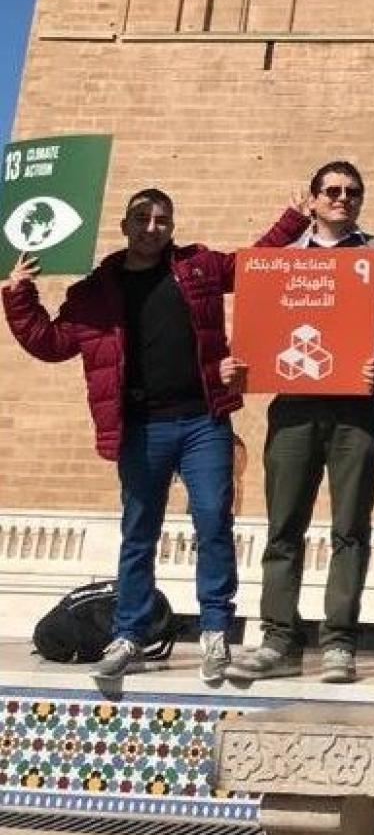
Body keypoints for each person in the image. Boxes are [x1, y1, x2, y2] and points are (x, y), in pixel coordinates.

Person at [2, 188, 309, 681]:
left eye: (162, 219)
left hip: (203, 422)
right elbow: (52, 343)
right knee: (139, 532)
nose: (152, 227)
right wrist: (19, 293)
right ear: (125, 226)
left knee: (212, 521)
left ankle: (213, 630)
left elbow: (254, 265)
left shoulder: (199, 268)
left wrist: (293, 219)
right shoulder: (94, 293)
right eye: (142, 218)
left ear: (172, 226)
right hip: (141, 428)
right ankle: (129, 633)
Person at [227, 161, 374, 684]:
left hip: (357, 406)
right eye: (332, 190)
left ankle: (339, 642)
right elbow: (258, 324)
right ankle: (279, 639)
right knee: (285, 526)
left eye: (353, 191)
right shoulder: (279, 262)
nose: (342, 198)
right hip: (294, 405)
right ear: (311, 199)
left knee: (351, 527)